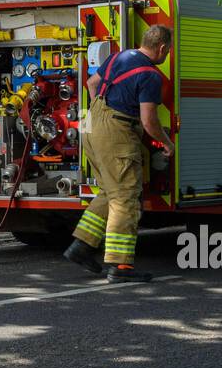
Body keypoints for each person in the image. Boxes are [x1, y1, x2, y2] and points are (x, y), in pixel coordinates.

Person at [63, 25, 173, 283]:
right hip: (116, 131)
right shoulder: (150, 75)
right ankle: (120, 267)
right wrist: (167, 143)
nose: (166, 56)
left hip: (91, 125)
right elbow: (148, 121)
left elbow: (92, 83)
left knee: (109, 191)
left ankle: (81, 247)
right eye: (167, 53)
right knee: (125, 197)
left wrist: (100, 114)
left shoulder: (117, 57)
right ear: (162, 48)